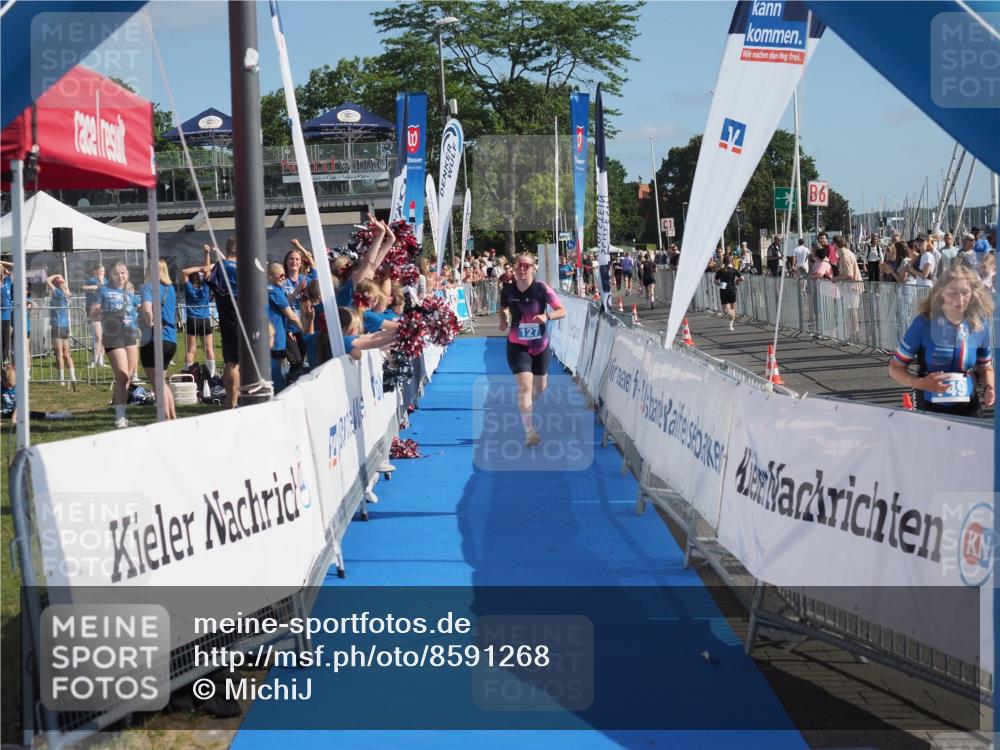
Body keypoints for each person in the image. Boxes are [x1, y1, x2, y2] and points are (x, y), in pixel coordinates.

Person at [889, 264, 994, 418]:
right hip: (929, 404)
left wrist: (989, 388)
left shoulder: (980, 324)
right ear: (941, 293)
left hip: (968, 403)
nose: (959, 300)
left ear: (973, 294)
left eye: (965, 293)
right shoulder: (924, 323)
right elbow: (895, 368)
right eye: (952, 293)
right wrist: (920, 383)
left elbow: (985, 368)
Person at [498, 254, 566, 446]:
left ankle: (526, 405)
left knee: (540, 387)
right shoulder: (508, 291)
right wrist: (503, 319)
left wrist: (547, 317)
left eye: (526, 266)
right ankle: (530, 432)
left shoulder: (541, 289)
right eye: (518, 265)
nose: (521, 269)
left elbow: (562, 310)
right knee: (525, 386)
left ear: (533, 268)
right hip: (517, 345)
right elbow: (503, 308)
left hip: (540, 345)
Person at [95, 261, 139, 428]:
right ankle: (119, 417)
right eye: (116, 273)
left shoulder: (130, 292)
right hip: (113, 334)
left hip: (130, 332)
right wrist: (103, 312)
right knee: (122, 376)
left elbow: (136, 310)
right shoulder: (103, 290)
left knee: (129, 375)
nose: (120, 276)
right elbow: (92, 311)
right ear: (110, 275)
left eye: (123, 273)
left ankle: (122, 414)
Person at [139, 260, 178, 420]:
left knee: (157, 384)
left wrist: (151, 323)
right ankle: (172, 417)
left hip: (154, 339)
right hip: (171, 339)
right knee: (162, 382)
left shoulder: (148, 287)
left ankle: (166, 418)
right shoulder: (171, 289)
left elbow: (147, 310)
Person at [207, 237, 240, 408]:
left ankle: (235, 399)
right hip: (234, 319)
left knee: (234, 361)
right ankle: (232, 401)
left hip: (231, 319)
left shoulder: (223, 266)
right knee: (233, 361)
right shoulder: (226, 267)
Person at [266, 263, 303, 392]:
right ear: (270, 276)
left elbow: (283, 301)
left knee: (278, 368)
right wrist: (306, 330)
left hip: (276, 336)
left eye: (284, 275)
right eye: (281, 275)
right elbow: (291, 316)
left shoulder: (269, 290)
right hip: (275, 339)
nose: (283, 278)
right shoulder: (275, 291)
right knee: (277, 373)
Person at [180, 245, 216, 375]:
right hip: (205, 320)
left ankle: (189, 374)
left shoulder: (189, 287)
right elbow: (207, 271)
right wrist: (206, 254)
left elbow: (184, 272)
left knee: (191, 350)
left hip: (192, 319)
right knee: (209, 348)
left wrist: (200, 268)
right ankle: (211, 374)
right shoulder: (206, 287)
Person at [46, 274, 74, 384]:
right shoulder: (68, 294)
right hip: (65, 325)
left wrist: (55, 276)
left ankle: (61, 379)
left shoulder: (58, 293)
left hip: (57, 325)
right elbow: (65, 287)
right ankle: (73, 377)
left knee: (59, 354)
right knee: (67, 354)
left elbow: (47, 280)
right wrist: (62, 279)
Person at [81, 263, 106, 367]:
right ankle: (94, 359)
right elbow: (86, 287)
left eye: (103, 272)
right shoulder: (92, 280)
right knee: (97, 335)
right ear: (95, 272)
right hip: (94, 310)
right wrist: (98, 284)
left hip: (105, 310)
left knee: (103, 336)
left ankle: (101, 359)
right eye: (100, 271)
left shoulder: (106, 281)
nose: (102, 274)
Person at [714, 253, 742, 331]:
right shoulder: (734, 270)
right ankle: (731, 325)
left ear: (723, 262)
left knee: (725, 309)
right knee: (733, 307)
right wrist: (738, 280)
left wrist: (720, 283)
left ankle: (731, 315)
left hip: (723, 289)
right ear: (731, 261)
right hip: (732, 289)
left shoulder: (720, 271)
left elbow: (715, 281)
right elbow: (742, 278)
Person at [0, 262, 11, 365]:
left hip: (6, 316)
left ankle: (5, 360)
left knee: (5, 340)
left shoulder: (7, 281)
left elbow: (17, 265)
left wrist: (2, 262)